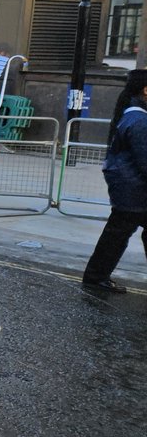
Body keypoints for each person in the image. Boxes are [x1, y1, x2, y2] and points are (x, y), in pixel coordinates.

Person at [83, 69, 147, 294]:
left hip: (130, 188)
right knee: (116, 234)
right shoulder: (139, 120)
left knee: (116, 233)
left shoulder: (132, 116)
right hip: (134, 190)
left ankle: (95, 275)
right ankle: (94, 276)